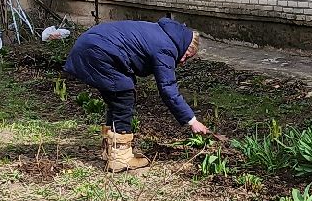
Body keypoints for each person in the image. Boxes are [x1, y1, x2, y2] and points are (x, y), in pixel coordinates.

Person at [62, 17, 209, 172]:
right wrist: (192, 121)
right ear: (184, 45)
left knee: (117, 99)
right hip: (98, 52)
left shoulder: (161, 33)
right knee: (123, 95)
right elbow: (168, 89)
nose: (183, 61)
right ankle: (120, 158)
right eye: (186, 55)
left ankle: (111, 151)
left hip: (92, 45)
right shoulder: (167, 48)